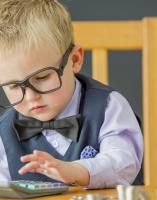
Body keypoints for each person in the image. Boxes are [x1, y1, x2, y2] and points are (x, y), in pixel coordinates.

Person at [0, 0, 143, 189]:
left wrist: (76, 171)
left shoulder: (108, 106)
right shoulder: (5, 130)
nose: (30, 96)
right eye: (14, 87)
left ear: (75, 60)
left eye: (42, 77)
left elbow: (123, 163)